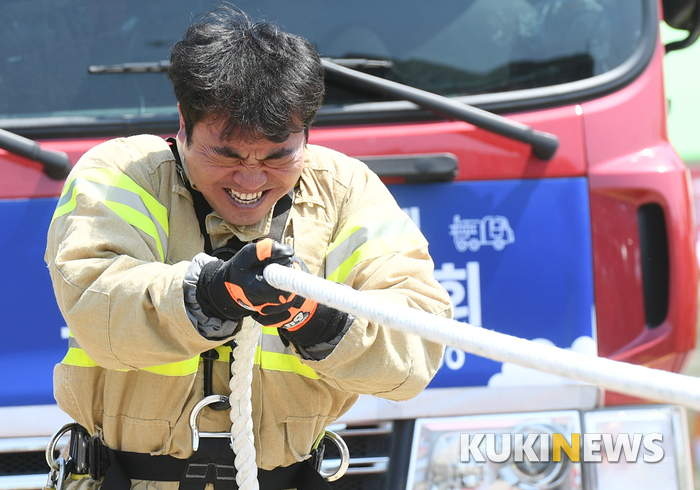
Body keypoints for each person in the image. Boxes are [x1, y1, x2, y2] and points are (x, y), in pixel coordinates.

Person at [44, 4, 452, 490]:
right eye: (228, 154)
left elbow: (415, 352)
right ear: (183, 122)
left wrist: (317, 317)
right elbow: (96, 302)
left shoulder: (346, 188)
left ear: (307, 134)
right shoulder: (120, 174)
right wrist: (211, 294)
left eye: (278, 157)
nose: (252, 180)